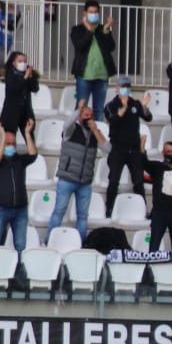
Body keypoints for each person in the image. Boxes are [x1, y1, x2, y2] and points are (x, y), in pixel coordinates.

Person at [47, 103, 107, 243]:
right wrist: (78, 110)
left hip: (85, 183)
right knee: (59, 212)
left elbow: (107, 148)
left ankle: (81, 244)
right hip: (67, 179)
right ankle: (49, 241)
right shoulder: (72, 130)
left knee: (83, 216)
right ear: (79, 116)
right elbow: (67, 124)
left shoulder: (94, 133)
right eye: (86, 115)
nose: (89, 118)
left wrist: (96, 130)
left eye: (91, 115)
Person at [103, 77, 151, 216]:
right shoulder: (110, 105)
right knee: (113, 181)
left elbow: (148, 118)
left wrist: (144, 107)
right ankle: (109, 209)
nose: (125, 88)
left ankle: (142, 209)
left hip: (134, 149)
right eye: (122, 86)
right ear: (116, 88)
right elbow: (112, 121)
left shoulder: (135, 104)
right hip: (117, 148)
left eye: (127, 86)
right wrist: (121, 111)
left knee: (138, 181)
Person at [0, 122, 39, 251]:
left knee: (20, 245)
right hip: (0, 209)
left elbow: (33, 154)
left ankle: (18, 269)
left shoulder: (20, 160)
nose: (11, 146)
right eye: (7, 144)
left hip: (20, 210)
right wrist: (3, 137)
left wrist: (27, 133)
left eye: (13, 144)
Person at [69, 0, 116, 121]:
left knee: (99, 110)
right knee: (81, 108)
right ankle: (77, 136)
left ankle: (97, 137)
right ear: (85, 13)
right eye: (91, 12)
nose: (94, 14)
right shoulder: (77, 30)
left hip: (102, 76)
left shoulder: (102, 29)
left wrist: (107, 30)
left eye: (96, 12)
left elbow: (111, 47)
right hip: (84, 76)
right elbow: (80, 45)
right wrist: (89, 30)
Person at [145, 140, 172, 253]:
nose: (170, 154)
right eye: (167, 151)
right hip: (160, 213)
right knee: (154, 247)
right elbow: (143, 162)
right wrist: (142, 145)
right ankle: (149, 269)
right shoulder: (157, 167)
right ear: (163, 152)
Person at [0, 51, 39, 137]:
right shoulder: (10, 75)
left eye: (24, 61)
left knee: (30, 138)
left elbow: (35, 89)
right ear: (13, 63)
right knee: (9, 140)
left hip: (25, 112)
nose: (23, 64)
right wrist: (25, 78)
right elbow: (15, 89)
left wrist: (30, 77)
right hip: (11, 113)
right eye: (20, 61)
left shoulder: (28, 74)